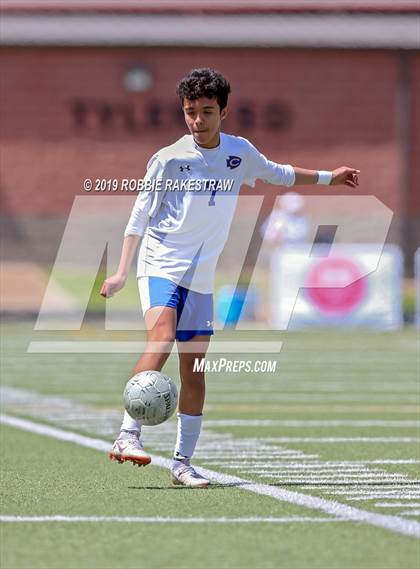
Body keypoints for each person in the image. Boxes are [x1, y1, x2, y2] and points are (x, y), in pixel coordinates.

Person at [100, 68, 360, 488]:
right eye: (190, 113)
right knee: (161, 337)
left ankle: (182, 464)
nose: (197, 121)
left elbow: (282, 173)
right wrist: (120, 271)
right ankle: (128, 434)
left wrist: (331, 176)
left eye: (206, 112)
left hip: (201, 277)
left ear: (224, 111)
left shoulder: (240, 153)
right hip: (161, 263)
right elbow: (138, 217)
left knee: (195, 370)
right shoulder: (167, 158)